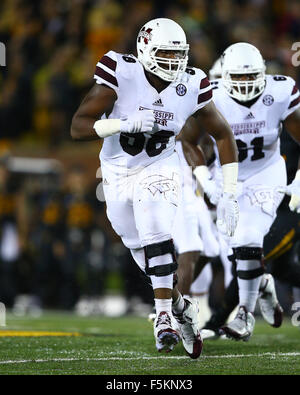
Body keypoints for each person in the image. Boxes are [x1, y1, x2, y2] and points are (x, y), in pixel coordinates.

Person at [71, 18, 239, 358]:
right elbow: (77, 126)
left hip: (161, 164)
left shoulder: (191, 83)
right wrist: (121, 123)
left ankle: (163, 318)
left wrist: (229, 192)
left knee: (155, 227)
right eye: (166, 53)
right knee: (138, 247)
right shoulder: (121, 71)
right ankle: (180, 306)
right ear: (145, 49)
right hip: (118, 169)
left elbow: (222, 133)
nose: (175, 63)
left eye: (180, 55)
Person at [182, 42, 300, 341]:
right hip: (226, 176)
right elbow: (187, 140)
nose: (246, 84)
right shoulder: (213, 96)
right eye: (239, 77)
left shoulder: (280, 92)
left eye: (251, 77)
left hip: (265, 173)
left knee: (248, 238)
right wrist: (202, 177)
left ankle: (244, 315)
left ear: (262, 73)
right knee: (238, 250)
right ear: (225, 76)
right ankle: (262, 286)